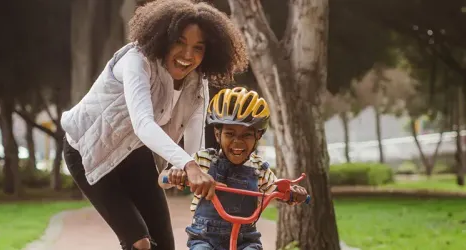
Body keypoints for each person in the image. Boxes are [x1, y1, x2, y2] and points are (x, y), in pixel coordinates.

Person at [58, 0, 248, 249]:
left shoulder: (197, 82)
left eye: (198, 48)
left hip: (135, 155)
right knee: (140, 242)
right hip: (89, 151)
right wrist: (188, 165)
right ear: (163, 39)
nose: (187, 55)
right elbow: (144, 124)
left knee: (165, 245)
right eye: (180, 42)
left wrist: (190, 168)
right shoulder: (136, 61)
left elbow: (194, 135)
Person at [162, 87, 309, 250]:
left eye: (246, 135)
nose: (237, 141)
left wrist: (292, 193)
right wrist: (174, 174)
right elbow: (162, 180)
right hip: (205, 237)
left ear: (258, 136)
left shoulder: (259, 168)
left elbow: (277, 189)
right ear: (218, 135)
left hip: (245, 240)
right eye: (230, 134)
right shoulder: (203, 160)